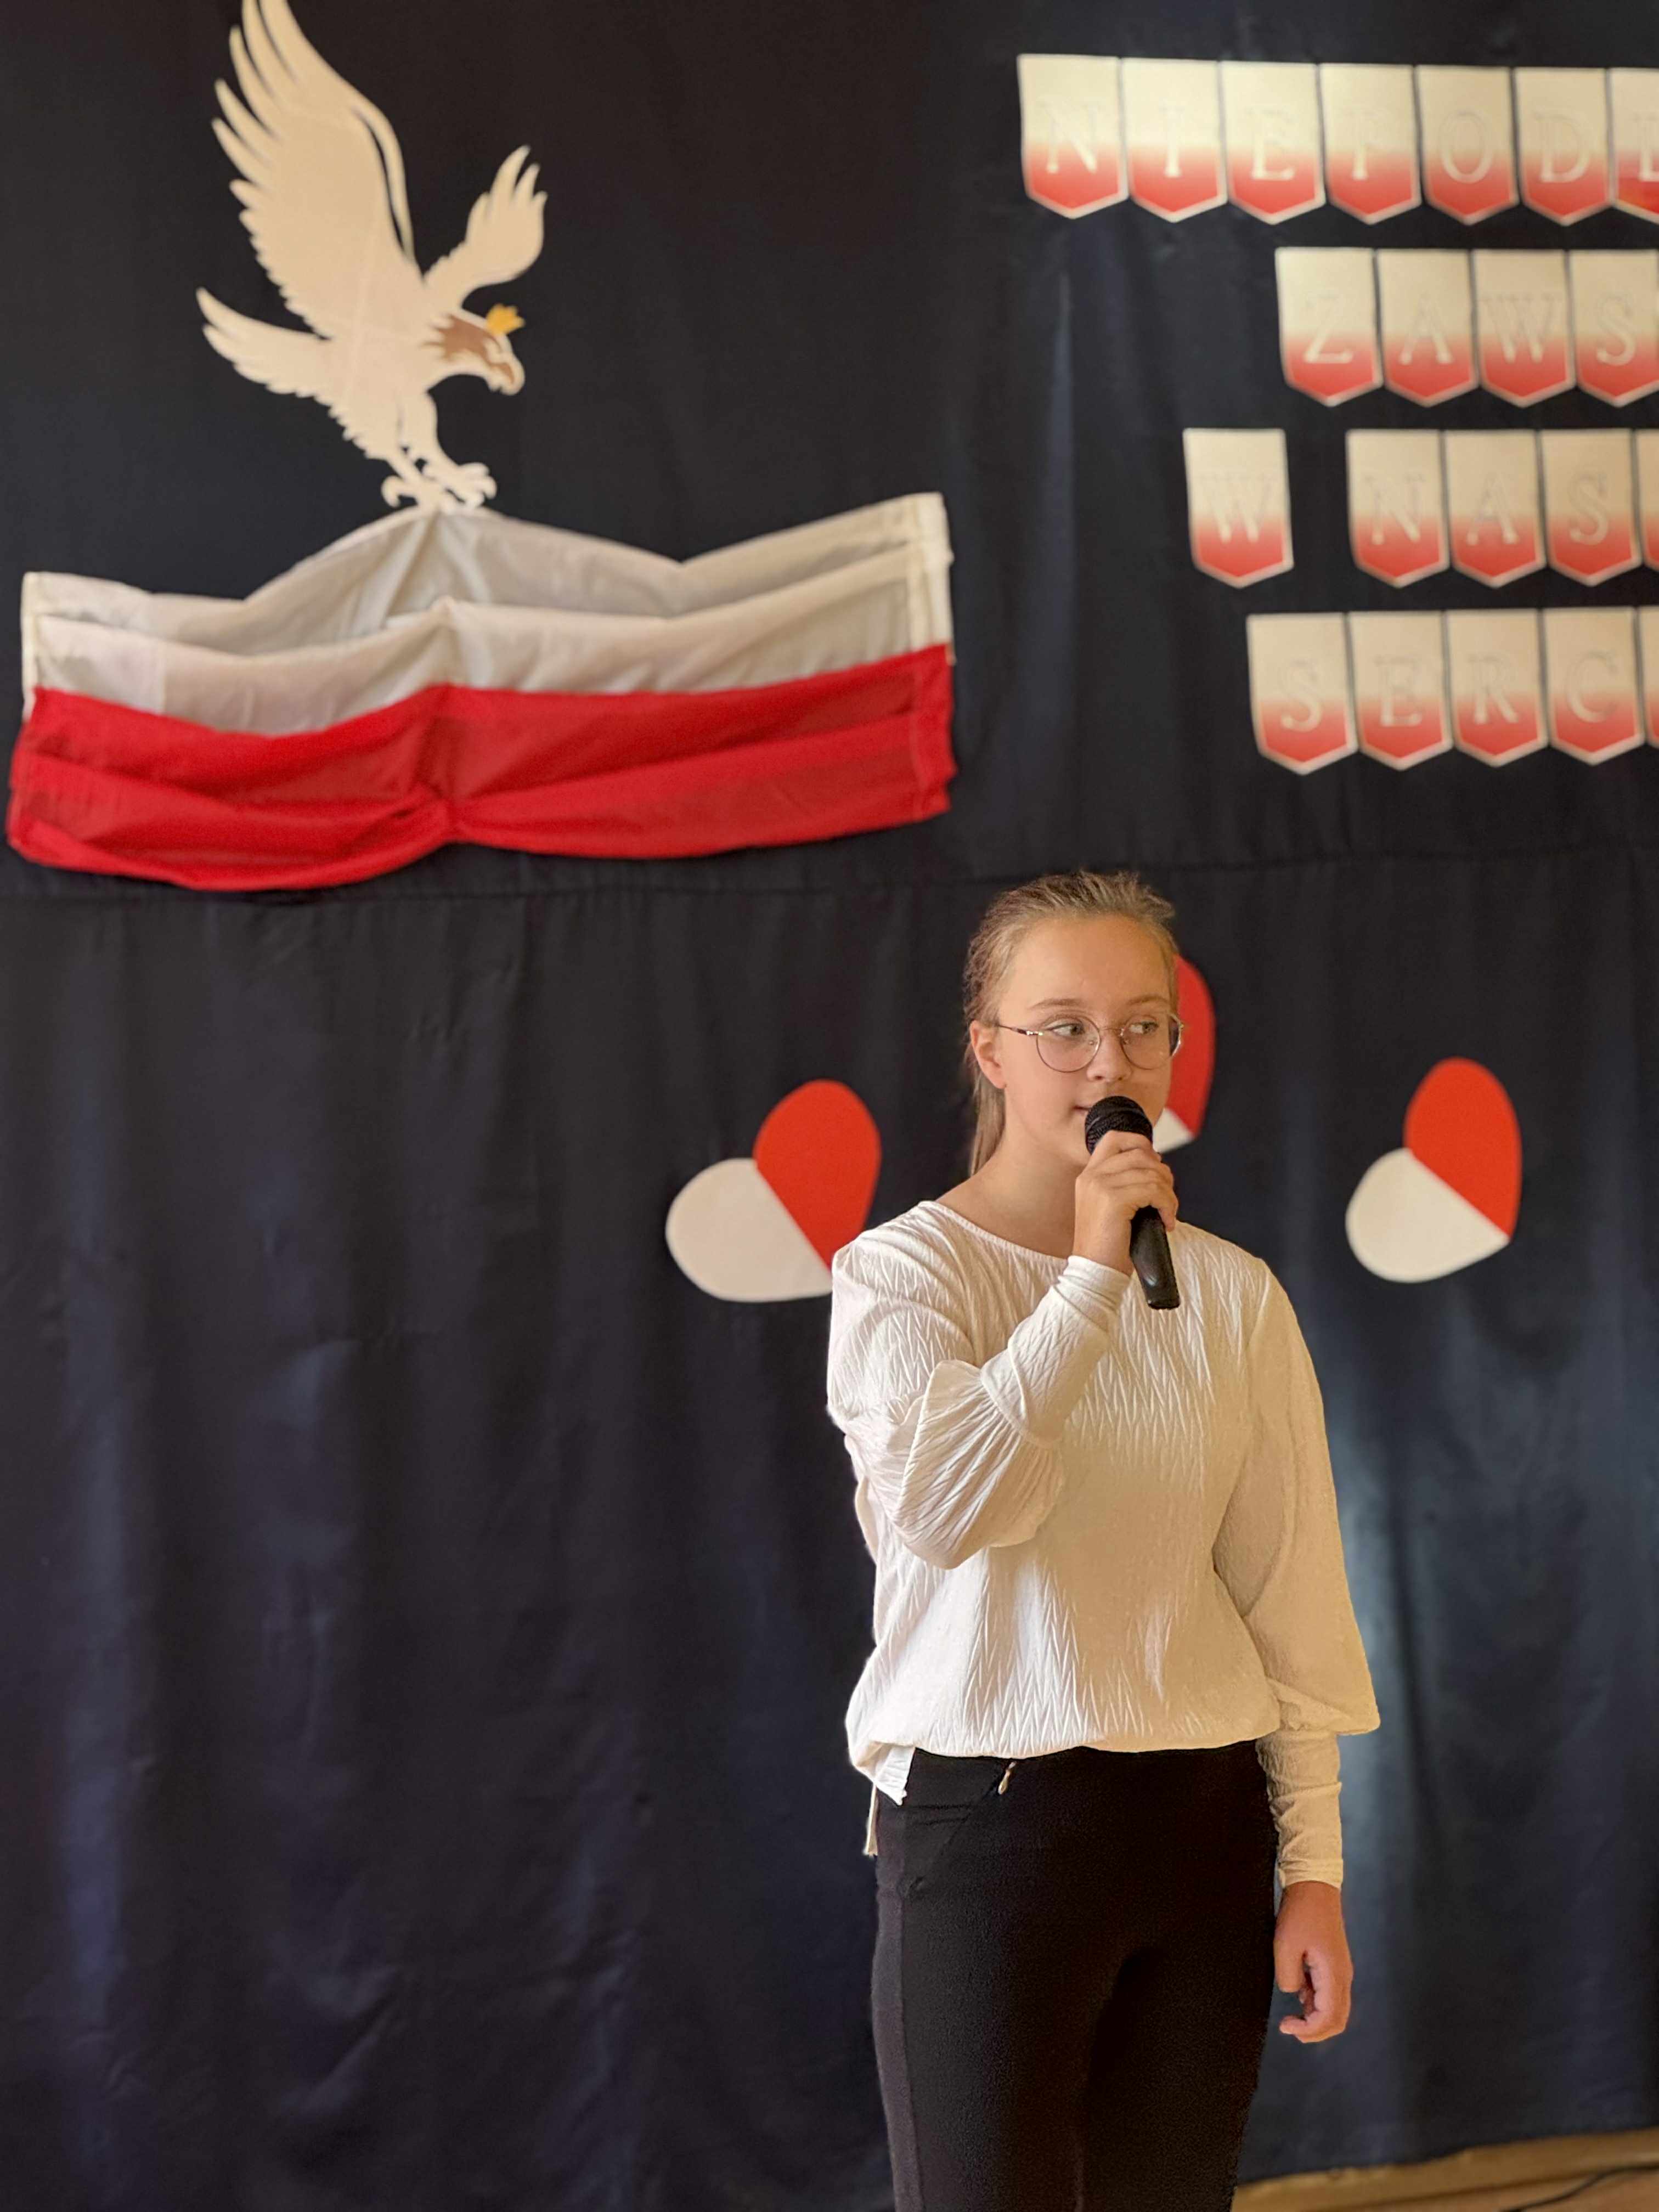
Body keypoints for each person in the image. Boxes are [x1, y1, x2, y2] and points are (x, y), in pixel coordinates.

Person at [823, 868, 1381, 2211]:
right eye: (1063, 1028)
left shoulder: (1234, 1296)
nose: (1107, 1063)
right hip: (991, 1826)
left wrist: (1312, 1868)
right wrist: (1086, 1278)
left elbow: (1289, 1598)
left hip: (1203, 1827)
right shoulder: (902, 1275)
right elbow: (955, 1510)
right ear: (991, 1050)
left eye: (1143, 1028)